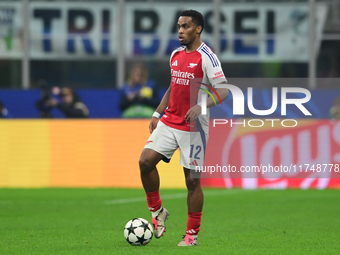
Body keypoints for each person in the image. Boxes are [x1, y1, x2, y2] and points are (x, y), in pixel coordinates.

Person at [138, 10, 229, 246]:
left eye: (186, 26)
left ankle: (191, 234)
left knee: (192, 182)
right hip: (170, 121)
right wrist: (158, 112)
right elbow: (173, 86)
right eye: (179, 26)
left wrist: (201, 106)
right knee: (145, 162)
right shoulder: (176, 54)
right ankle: (157, 211)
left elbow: (224, 91)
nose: (180, 30)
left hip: (194, 128)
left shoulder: (207, 57)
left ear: (198, 29)